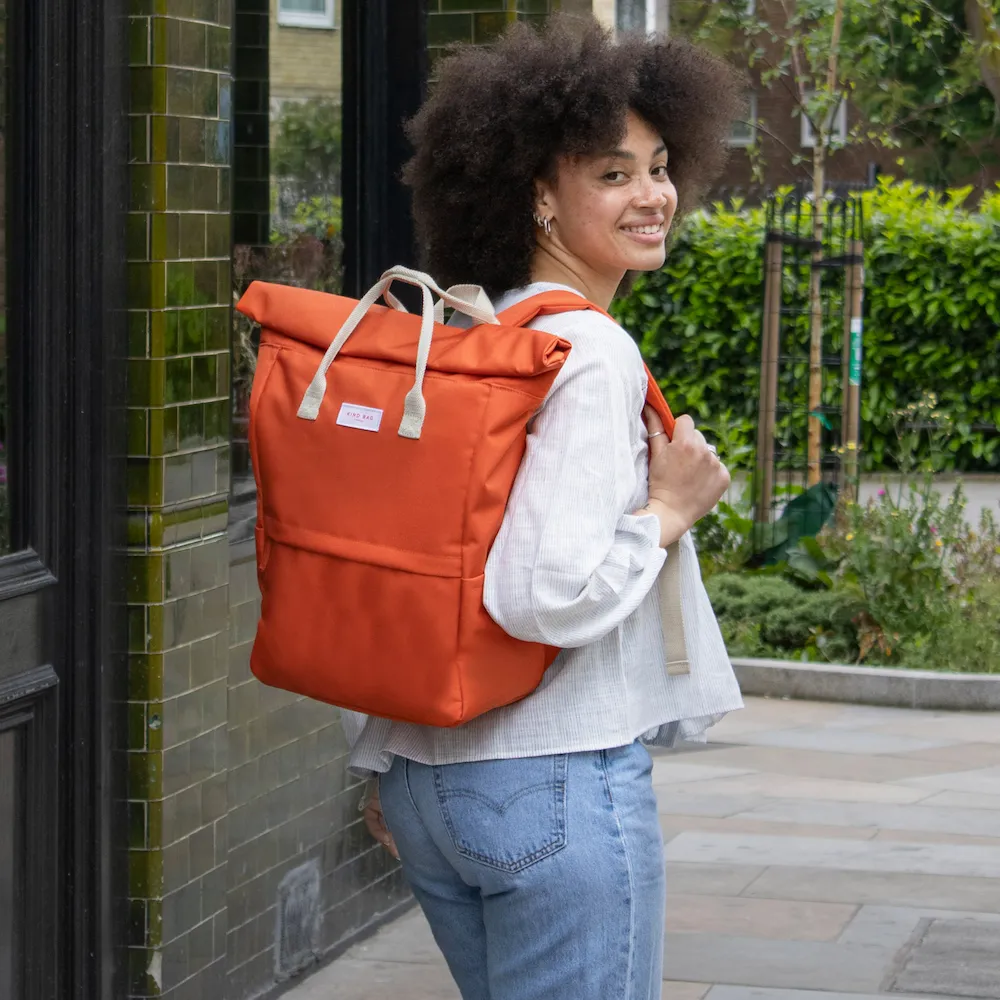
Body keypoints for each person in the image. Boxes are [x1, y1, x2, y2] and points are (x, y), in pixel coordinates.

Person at [344, 16, 745, 1000]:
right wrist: (668, 508)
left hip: (431, 774)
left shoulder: (479, 327)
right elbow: (542, 593)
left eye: (658, 166)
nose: (653, 195)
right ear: (536, 193)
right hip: (555, 779)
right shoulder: (592, 351)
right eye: (612, 174)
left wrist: (383, 757)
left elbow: (424, 556)